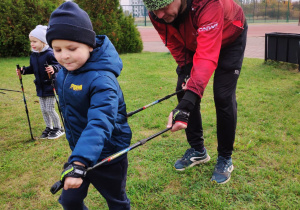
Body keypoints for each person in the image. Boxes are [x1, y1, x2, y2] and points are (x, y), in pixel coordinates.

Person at [143, 0, 247, 184]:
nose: (159, 14)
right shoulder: (157, 15)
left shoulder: (207, 3)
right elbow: (174, 43)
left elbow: (207, 56)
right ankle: (198, 151)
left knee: (222, 96)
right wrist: (186, 71)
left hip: (230, 37)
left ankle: (225, 157)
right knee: (183, 91)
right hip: (195, 41)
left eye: (164, 7)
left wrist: (188, 103)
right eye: (154, 9)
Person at [46, 1, 132, 209]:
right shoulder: (66, 72)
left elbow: (100, 122)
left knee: (116, 201)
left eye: (72, 48)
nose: (64, 55)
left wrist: (79, 162)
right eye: (57, 49)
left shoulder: (102, 80)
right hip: (80, 151)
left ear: (90, 45)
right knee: (70, 200)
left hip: (108, 155)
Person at [16, 25, 64, 139]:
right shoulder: (33, 55)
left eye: (34, 41)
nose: (32, 44)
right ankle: (49, 127)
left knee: (49, 108)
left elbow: (60, 64)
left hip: (50, 85)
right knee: (43, 110)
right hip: (40, 86)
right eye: (31, 42)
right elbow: (32, 68)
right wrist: (23, 71)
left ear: (43, 41)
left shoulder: (50, 53)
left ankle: (58, 128)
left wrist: (54, 68)